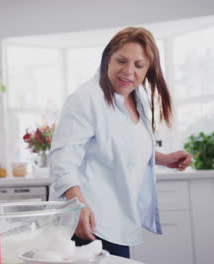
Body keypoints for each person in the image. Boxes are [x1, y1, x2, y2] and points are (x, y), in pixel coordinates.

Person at [49, 27, 192, 258]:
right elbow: (62, 160)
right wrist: (78, 207)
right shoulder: (85, 99)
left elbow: (123, 145)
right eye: (121, 61)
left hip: (118, 219)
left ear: (148, 70)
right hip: (88, 221)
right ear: (108, 59)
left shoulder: (138, 97)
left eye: (139, 65)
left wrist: (164, 159)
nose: (128, 71)